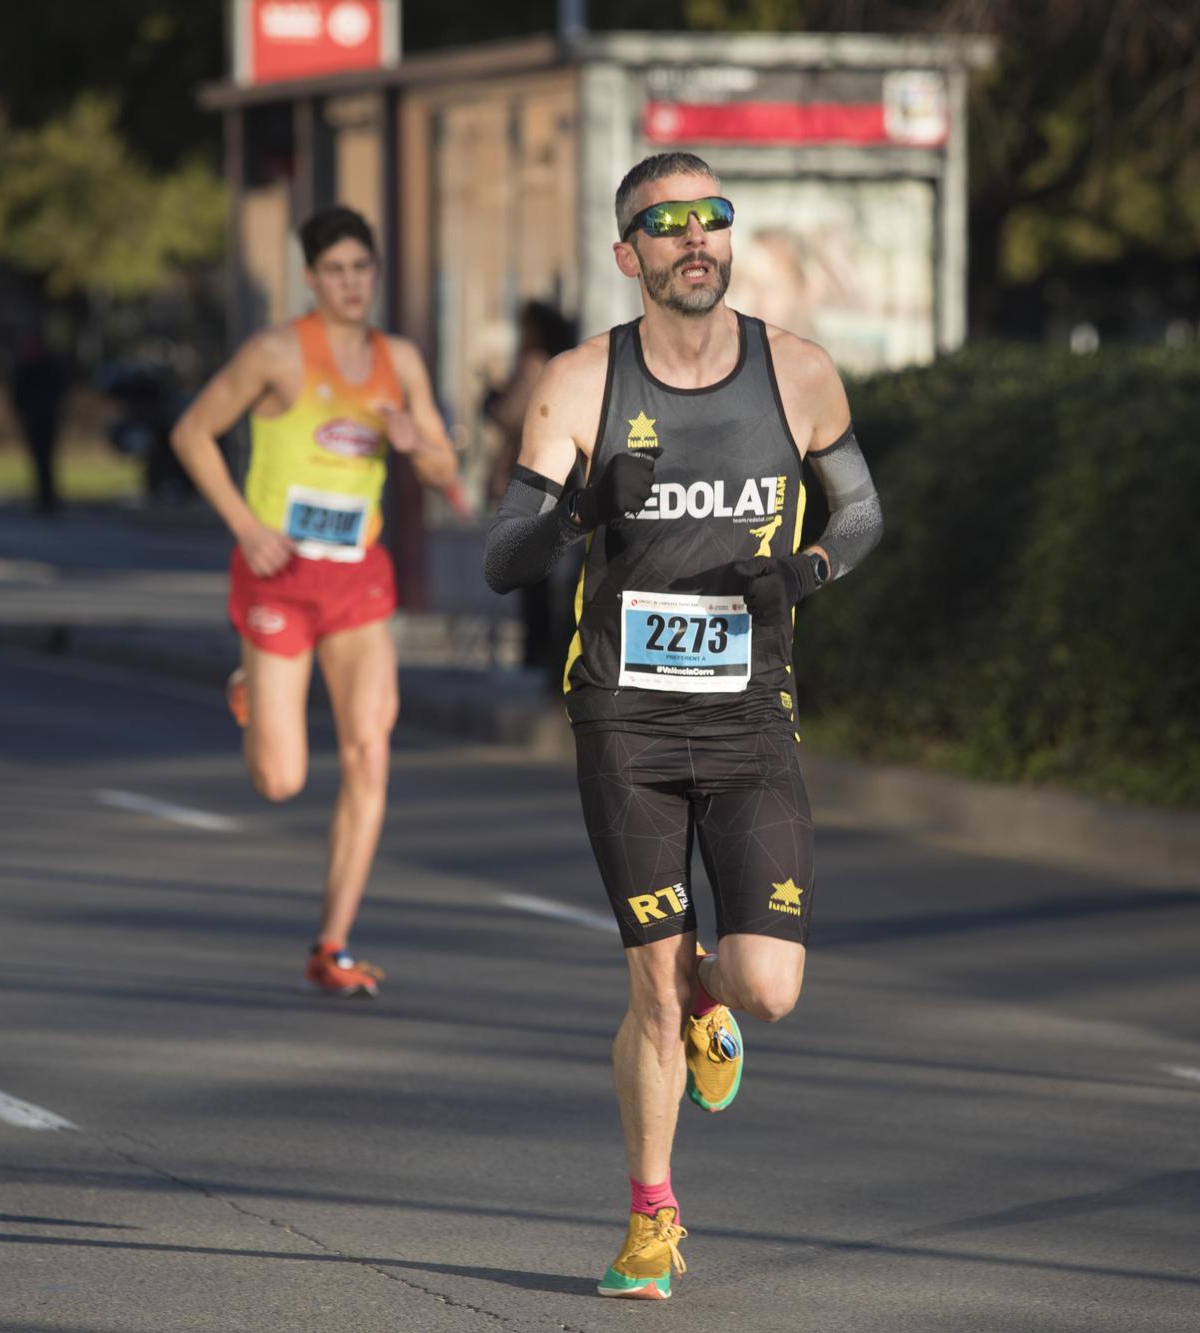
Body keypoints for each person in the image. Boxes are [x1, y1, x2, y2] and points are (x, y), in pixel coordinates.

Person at [484, 153, 884, 1299]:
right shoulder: (577, 382)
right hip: (624, 717)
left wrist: (800, 572)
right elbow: (502, 559)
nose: (694, 238)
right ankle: (651, 1216)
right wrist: (581, 507)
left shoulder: (795, 372)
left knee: (766, 985)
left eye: (711, 218)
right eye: (666, 225)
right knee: (649, 985)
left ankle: (714, 992)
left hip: (751, 712)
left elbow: (860, 512)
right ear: (629, 255)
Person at [169, 206, 457, 998]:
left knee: (370, 750)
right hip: (278, 578)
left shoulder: (400, 360)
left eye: (362, 268)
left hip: (358, 578)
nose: (351, 283)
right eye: (334, 271)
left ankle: (330, 943)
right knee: (280, 779)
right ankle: (252, 690)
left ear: (375, 272)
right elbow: (191, 433)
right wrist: (244, 525)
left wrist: (417, 445)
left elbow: (442, 468)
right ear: (310, 278)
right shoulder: (274, 354)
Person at [482, 300, 579, 675]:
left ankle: (537, 650)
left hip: (536, 477)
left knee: (529, 567)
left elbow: (509, 414)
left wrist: (491, 400)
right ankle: (547, 649)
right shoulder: (564, 362)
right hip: (564, 478)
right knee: (548, 567)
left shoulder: (535, 364)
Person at [11, 332, 70, 516]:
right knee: (38, 459)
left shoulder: (48, 366)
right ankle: (43, 495)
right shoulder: (25, 367)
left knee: (46, 458)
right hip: (33, 419)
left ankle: (48, 496)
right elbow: (17, 393)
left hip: (47, 418)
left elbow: (60, 388)